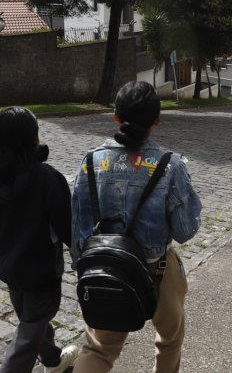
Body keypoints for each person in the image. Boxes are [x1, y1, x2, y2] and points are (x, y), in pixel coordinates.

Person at [70, 81, 202, 373]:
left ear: (116, 117)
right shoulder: (170, 166)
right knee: (169, 340)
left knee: (99, 349)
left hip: (105, 270)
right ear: (157, 119)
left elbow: (78, 232)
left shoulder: (90, 162)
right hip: (157, 272)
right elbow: (185, 230)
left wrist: (83, 266)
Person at [0, 107, 79, 373]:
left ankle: (53, 361)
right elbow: (68, 227)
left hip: (7, 264)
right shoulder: (47, 178)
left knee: (32, 322)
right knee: (27, 336)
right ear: (32, 138)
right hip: (40, 270)